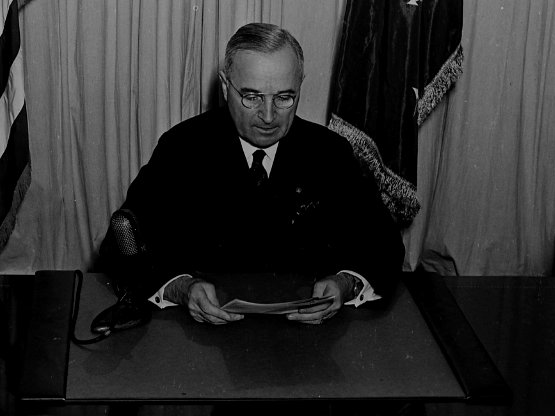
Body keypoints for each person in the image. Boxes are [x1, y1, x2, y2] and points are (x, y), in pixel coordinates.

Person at [110, 22, 403, 325]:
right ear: (225, 87)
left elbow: (385, 246)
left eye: (284, 97)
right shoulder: (182, 148)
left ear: (300, 86)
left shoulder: (330, 152)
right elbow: (125, 241)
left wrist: (346, 283)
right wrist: (181, 288)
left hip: (305, 342)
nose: (268, 115)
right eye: (251, 96)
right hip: (202, 339)